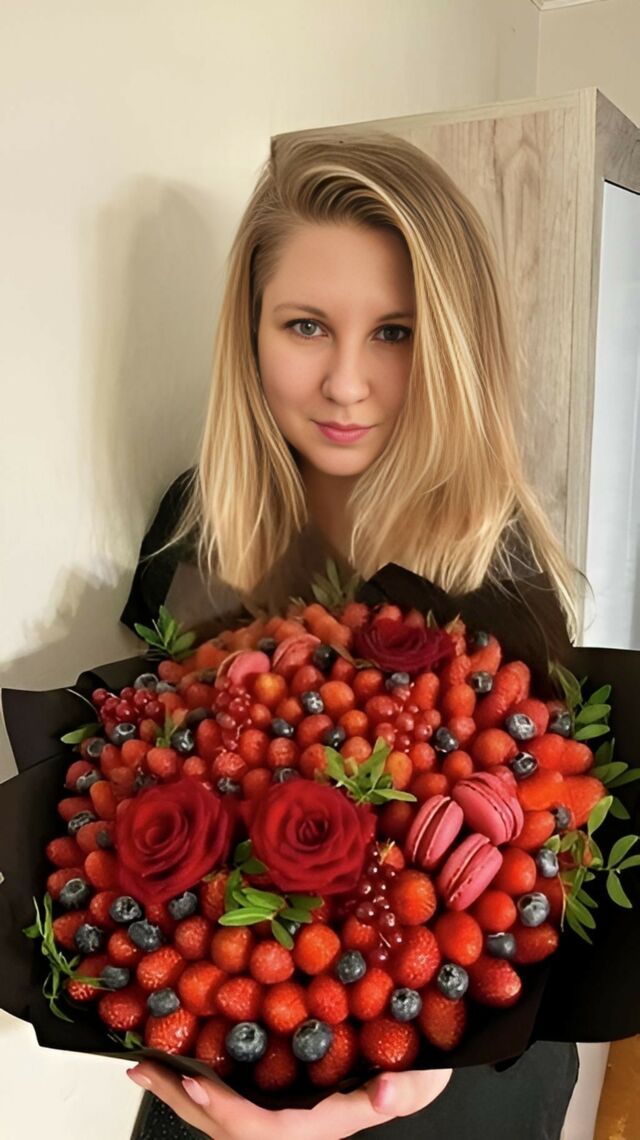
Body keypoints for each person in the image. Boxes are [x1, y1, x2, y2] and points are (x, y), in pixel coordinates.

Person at [120, 129, 590, 1139]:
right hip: (221, 1079)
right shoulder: (192, 531)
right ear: (249, 330)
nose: (344, 383)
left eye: (394, 332)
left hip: (454, 1097)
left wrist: (415, 1087)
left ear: (455, 347)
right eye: (305, 326)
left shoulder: (502, 583)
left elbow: (553, 921)